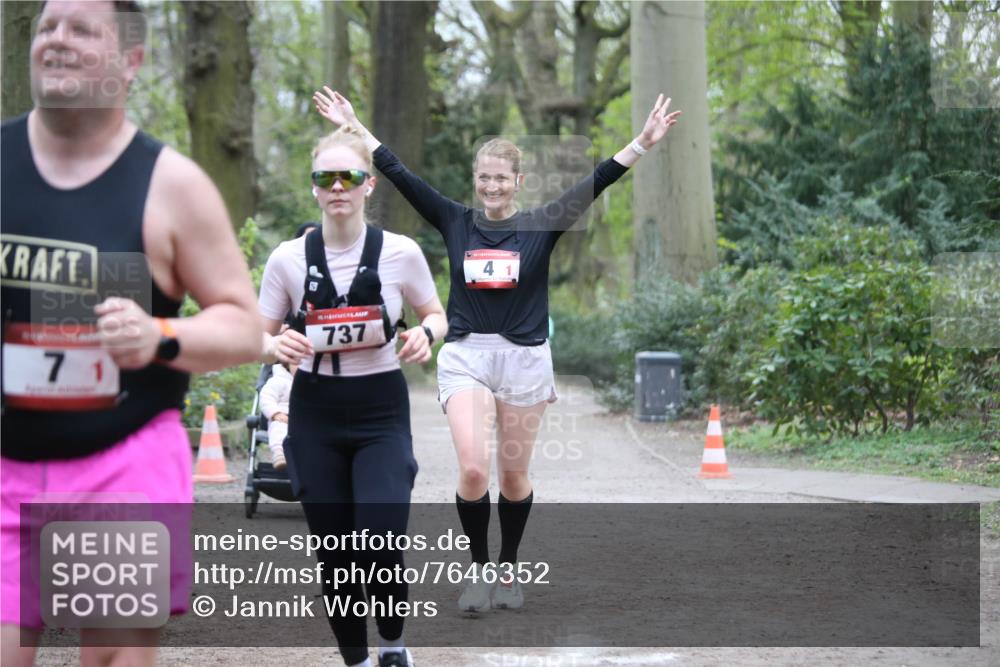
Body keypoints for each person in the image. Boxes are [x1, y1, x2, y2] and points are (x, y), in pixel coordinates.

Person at [313, 87, 680, 612]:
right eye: (483, 177)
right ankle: (479, 571)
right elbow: (397, 171)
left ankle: (508, 567)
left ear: (517, 182)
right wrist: (352, 125)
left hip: (525, 360)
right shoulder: (454, 220)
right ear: (476, 181)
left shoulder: (541, 224)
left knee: (511, 478)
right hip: (466, 355)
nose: (490, 186)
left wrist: (642, 142)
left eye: (500, 178)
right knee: (472, 472)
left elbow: (596, 181)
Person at [0, 2, 262, 666]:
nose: (56, 41)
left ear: (130, 62)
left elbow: (243, 322)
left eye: (81, 30)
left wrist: (159, 335)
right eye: (47, 27)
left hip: (122, 463)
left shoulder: (172, 186)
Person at [258, 125, 447, 667]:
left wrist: (424, 335)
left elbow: (437, 314)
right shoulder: (287, 260)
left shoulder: (402, 253)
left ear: (369, 186)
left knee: (381, 540)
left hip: (380, 409)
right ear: (314, 187)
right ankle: (358, 660)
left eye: (350, 176)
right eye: (326, 177)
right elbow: (254, 333)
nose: (337, 186)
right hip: (314, 409)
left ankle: (393, 643)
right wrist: (274, 344)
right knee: (337, 554)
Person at [258, 361, 292, 469]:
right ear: (287, 365)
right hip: (281, 416)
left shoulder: (310, 382)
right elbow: (267, 398)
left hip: (303, 420)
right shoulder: (278, 381)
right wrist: (275, 413)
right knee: (278, 428)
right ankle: (279, 453)